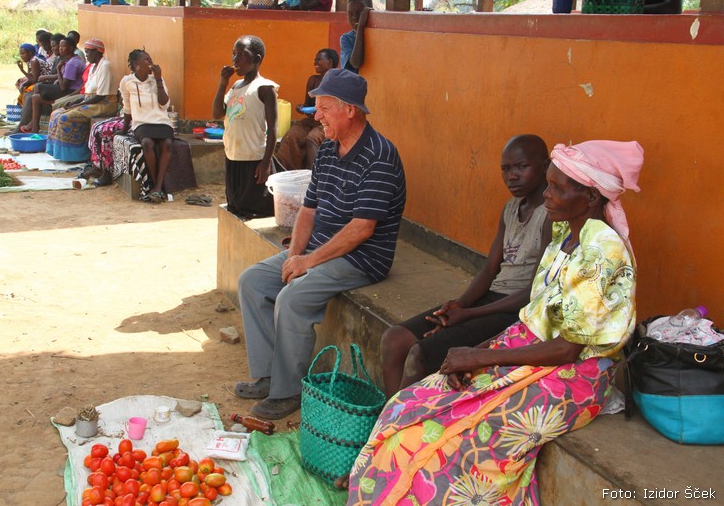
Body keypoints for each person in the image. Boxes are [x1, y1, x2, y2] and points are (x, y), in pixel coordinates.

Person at [343, 140, 643, 504]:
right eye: (548, 184)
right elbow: (534, 315)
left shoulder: (600, 252)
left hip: (575, 374)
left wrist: (480, 358)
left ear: (592, 198)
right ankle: (383, 480)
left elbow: (568, 349)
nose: (546, 195)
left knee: (454, 440)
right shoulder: (566, 232)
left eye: (557, 188)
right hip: (530, 346)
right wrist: (476, 352)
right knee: (408, 403)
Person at [234, 68, 407, 420]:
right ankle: (270, 374)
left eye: (325, 107)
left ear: (350, 110)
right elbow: (308, 211)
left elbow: (361, 230)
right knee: (252, 281)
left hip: (362, 257)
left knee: (293, 297)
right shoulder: (328, 150)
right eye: (317, 107)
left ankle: (288, 391)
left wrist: (307, 262)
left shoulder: (380, 156)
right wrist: (295, 254)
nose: (317, 115)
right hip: (321, 248)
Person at [381, 134, 552, 397]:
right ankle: (386, 419)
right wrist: (459, 305)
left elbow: (534, 292)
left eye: (522, 167)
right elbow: (489, 269)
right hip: (489, 299)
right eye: (505, 169)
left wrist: (470, 314)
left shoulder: (551, 216)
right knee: (394, 339)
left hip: (517, 310)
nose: (512, 176)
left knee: (419, 353)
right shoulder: (511, 208)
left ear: (545, 166)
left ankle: (398, 424)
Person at [212, 35, 278, 218]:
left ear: (256, 59)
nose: (235, 59)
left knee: (255, 207)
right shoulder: (235, 87)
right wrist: (223, 83)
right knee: (235, 205)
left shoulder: (265, 87)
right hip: (234, 155)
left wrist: (265, 163)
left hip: (254, 157)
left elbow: (273, 129)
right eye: (234, 54)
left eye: (242, 54)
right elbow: (217, 113)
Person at [45, 39, 116, 162]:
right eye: (86, 52)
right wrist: (75, 102)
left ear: (97, 52)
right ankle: (58, 152)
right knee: (56, 114)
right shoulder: (93, 66)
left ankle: (77, 155)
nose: (86, 55)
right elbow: (88, 91)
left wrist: (80, 104)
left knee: (65, 118)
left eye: (89, 52)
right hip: (90, 100)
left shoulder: (105, 66)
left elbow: (100, 96)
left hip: (103, 104)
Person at [116, 49, 174, 199]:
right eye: (147, 60)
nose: (151, 63)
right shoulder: (127, 82)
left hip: (161, 121)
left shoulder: (156, 80)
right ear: (136, 64)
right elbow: (127, 107)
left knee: (167, 143)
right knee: (147, 143)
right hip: (142, 123)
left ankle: (157, 186)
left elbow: (164, 104)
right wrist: (124, 128)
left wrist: (159, 79)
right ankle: (157, 186)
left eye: (151, 59)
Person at [273, 48, 338, 171]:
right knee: (291, 135)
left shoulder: (337, 81)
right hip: (312, 120)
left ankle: (312, 177)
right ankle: (287, 172)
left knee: (312, 139)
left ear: (329, 62)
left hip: (329, 123)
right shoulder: (313, 80)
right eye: (315, 60)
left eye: (319, 60)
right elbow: (307, 104)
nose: (315, 63)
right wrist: (301, 108)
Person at [20, 36, 86, 134]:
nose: (60, 49)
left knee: (37, 89)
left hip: (71, 90)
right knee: (35, 96)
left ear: (71, 48)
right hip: (66, 87)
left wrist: (59, 70)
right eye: (60, 46)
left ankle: (33, 126)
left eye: (63, 47)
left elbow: (63, 87)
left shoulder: (72, 63)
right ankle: (33, 126)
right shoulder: (70, 60)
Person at [341, 0, 372, 73]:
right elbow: (356, 63)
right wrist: (360, 28)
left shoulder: (377, 36)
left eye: (360, 13)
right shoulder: (346, 38)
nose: (354, 17)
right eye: (350, 14)